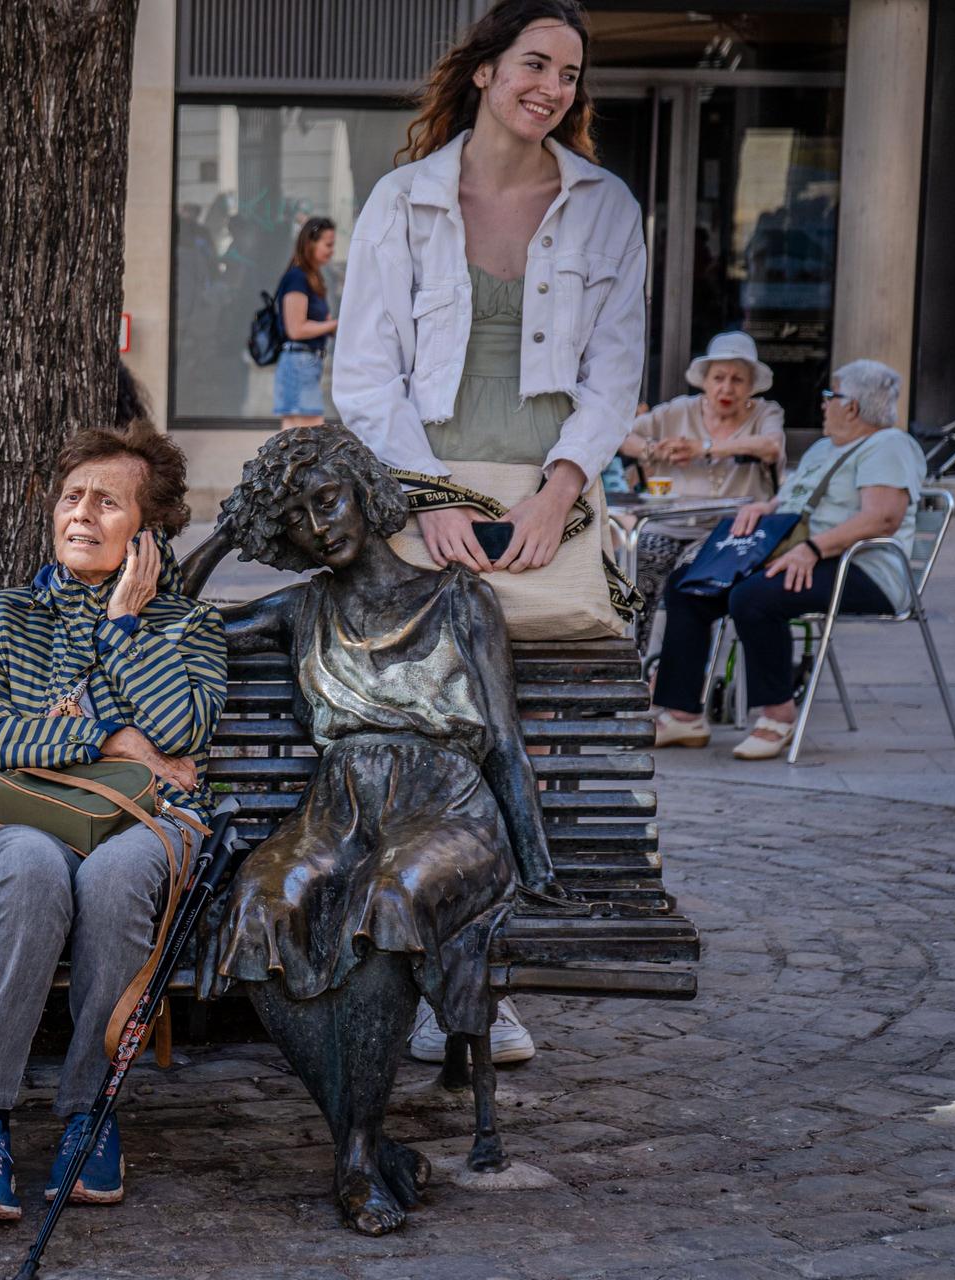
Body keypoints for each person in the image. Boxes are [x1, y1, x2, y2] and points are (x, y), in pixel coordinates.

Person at [333, 0, 645, 1065]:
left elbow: (614, 372)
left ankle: (492, 976)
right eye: (531, 62)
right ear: (481, 71)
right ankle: (435, 980)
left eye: (567, 72)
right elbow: (363, 374)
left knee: (536, 742)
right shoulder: (402, 200)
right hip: (426, 497)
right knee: (431, 743)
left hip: (545, 503)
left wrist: (560, 491)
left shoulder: (603, 205)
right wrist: (426, 496)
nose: (549, 85)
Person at [197, 425, 554, 1235]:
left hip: (449, 806)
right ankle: (366, 1141)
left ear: (363, 488)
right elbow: (176, 629)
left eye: (327, 499)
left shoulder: (461, 597)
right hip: (339, 809)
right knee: (256, 903)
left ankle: (356, 1158)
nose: (320, 526)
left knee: (390, 900)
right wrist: (229, 528)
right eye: (293, 518)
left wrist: (531, 860)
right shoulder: (302, 606)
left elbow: (502, 739)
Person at [0, 421, 226, 1222]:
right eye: (72, 497)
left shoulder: (189, 628)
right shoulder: (3, 615)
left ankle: (88, 1113)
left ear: (151, 528)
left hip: (149, 825)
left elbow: (182, 734)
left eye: (108, 502)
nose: (82, 514)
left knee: (113, 872)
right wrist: (108, 736)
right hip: (13, 825)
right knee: (33, 865)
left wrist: (126, 628)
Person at [649, 360, 922, 761]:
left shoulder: (890, 445)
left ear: (854, 407)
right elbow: (792, 501)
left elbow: (882, 517)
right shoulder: (823, 448)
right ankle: (683, 715)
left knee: (755, 597)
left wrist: (812, 549)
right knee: (689, 584)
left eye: (832, 396)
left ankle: (777, 715)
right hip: (801, 553)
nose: (824, 404)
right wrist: (763, 509)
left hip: (863, 568)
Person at [618, 331, 785, 647]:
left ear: (751, 386)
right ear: (705, 381)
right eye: (718, 377)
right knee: (635, 568)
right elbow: (621, 434)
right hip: (670, 523)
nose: (726, 387)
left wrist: (704, 448)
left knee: (689, 578)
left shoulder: (766, 413)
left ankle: (671, 673)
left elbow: (771, 446)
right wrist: (653, 450)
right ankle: (633, 661)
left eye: (737, 379)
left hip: (731, 529)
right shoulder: (678, 411)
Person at [273, 215, 340, 429]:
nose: (332, 251)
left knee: (293, 438)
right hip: (299, 362)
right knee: (309, 434)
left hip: (303, 362)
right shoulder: (297, 278)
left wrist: (327, 325)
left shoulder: (311, 277)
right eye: (328, 244)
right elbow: (296, 329)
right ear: (310, 243)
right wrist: (336, 325)